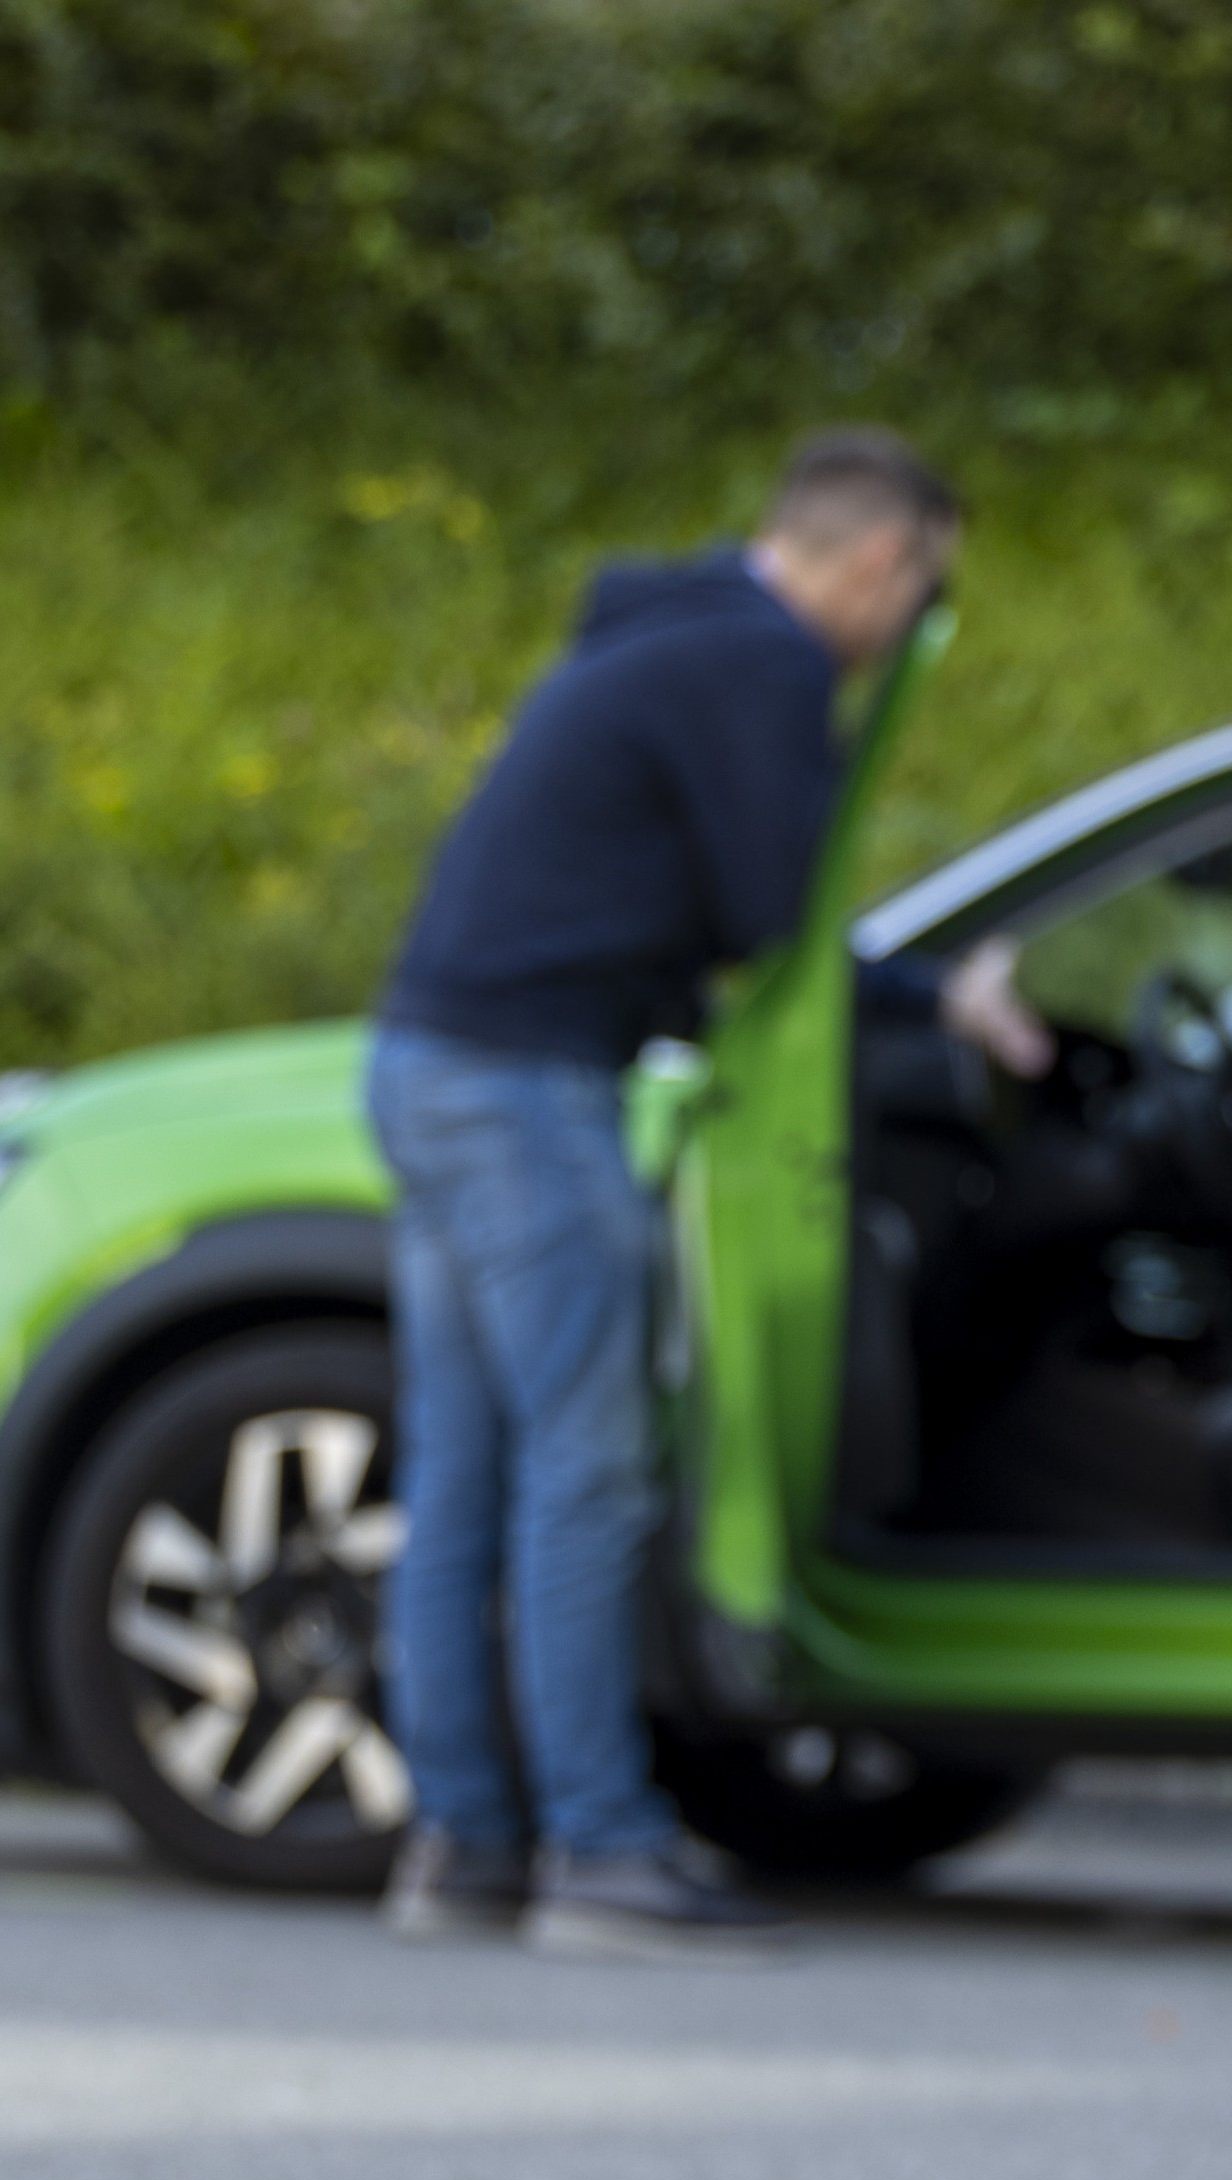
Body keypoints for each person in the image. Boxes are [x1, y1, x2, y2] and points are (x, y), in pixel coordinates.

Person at [367, 428, 1042, 1957]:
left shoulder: (665, 635)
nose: (906, 629)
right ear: (882, 559)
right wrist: (931, 986)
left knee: (464, 1470)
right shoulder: (763, 665)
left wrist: (926, 994)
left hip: (429, 1061)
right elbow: (766, 919)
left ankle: (460, 1844)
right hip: (528, 1096)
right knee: (588, 1471)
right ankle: (600, 1849)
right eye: (922, 592)